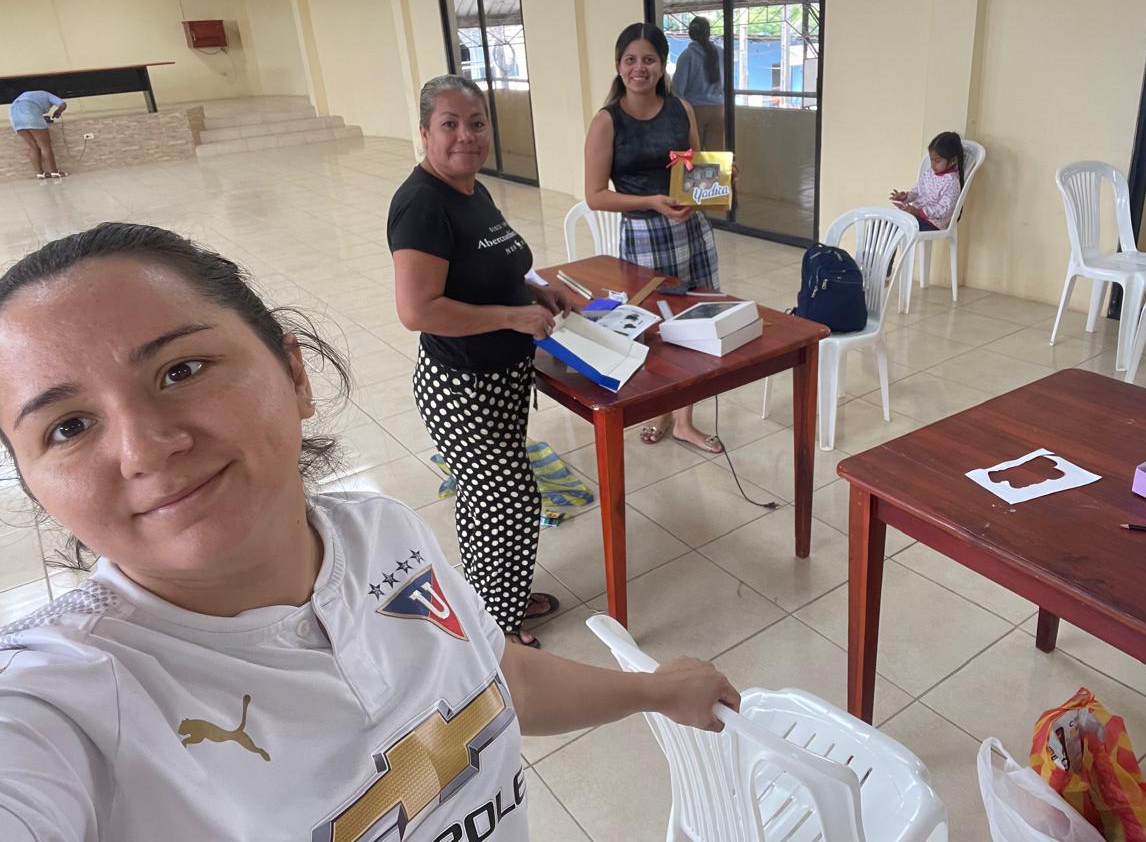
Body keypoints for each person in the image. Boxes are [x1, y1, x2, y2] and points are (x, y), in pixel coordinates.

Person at [0, 222, 740, 841]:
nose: (144, 449)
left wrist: (650, 691)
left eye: (181, 369)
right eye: (68, 426)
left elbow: (493, 677)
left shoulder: (383, 534)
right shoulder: (61, 703)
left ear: (295, 375)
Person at [389, 75, 571, 649]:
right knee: (510, 501)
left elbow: (492, 269)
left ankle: (494, 599)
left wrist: (536, 291)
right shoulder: (421, 205)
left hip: (499, 377)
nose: (466, 136)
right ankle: (498, 629)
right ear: (425, 133)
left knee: (484, 499)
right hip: (462, 386)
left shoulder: (473, 191)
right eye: (450, 124)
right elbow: (418, 310)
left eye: (476, 123)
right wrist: (513, 317)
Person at [584, 22, 724, 453]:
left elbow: (695, 171)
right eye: (630, 60)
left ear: (662, 65)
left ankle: (684, 421)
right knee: (655, 328)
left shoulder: (681, 109)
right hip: (644, 235)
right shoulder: (607, 121)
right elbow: (595, 195)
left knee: (695, 322)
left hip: (691, 230)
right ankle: (660, 409)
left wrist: (716, 183)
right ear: (618, 65)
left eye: (649, 59)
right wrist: (650, 202)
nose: (639, 68)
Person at [889, 130, 966, 231]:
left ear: (953, 160)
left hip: (932, 224)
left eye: (937, 161)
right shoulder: (930, 173)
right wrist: (906, 197)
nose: (932, 165)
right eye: (931, 159)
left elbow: (943, 210)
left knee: (898, 227)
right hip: (917, 217)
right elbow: (917, 191)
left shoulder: (952, 183)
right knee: (886, 221)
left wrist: (918, 212)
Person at [671, 16, 726, 150]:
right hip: (719, 109)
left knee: (695, 154)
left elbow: (678, 90)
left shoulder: (687, 55)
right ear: (708, 33)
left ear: (690, 33)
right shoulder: (721, 53)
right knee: (716, 155)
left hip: (695, 110)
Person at [8, 89, 67, 180]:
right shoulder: (47, 95)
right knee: (45, 146)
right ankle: (55, 172)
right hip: (30, 116)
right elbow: (63, 104)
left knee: (33, 147)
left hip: (15, 118)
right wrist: (58, 111)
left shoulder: (30, 94)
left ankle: (40, 174)